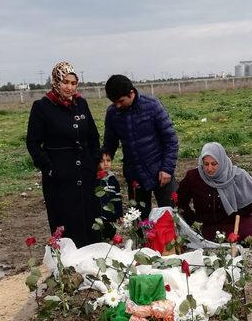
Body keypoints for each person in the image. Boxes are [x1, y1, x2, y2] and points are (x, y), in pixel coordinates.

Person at [26, 62, 101, 248]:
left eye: (74, 83)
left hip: (85, 172)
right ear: (56, 82)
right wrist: (49, 168)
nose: (69, 87)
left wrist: (93, 163)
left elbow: (93, 136)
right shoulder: (42, 107)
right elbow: (33, 142)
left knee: (90, 217)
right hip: (59, 176)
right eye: (65, 82)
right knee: (66, 221)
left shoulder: (81, 104)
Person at [103, 75, 179, 220]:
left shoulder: (152, 106)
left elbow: (171, 140)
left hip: (160, 172)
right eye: (114, 102)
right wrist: (103, 162)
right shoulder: (113, 113)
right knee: (138, 219)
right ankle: (143, 243)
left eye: (120, 101)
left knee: (171, 215)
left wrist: (167, 169)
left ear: (131, 93)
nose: (117, 105)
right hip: (134, 175)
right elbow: (109, 144)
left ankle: (172, 242)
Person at [177, 141, 252, 241]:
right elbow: (180, 201)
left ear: (221, 161)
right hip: (207, 225)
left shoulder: (236, 175)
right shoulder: (193, 177)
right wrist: (192, 221)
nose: (209, 169)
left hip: (232, 223)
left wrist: (239, 214)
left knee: (247, 237)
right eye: (206, 164)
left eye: (214, 164)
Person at [96, 151, 123, 240]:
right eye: (102, 161)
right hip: (99, 216)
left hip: (111, 216)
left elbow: (117, 198)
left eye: (108, 160)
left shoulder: (113, 180)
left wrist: (119, 215)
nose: (106, 163)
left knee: (110, 237)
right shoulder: (95, 180)